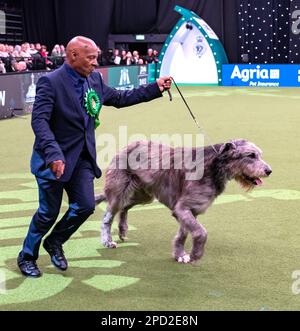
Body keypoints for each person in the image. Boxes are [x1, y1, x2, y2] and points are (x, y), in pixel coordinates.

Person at [17, 36, 171, 277]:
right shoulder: (50, 82)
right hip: (53, 161)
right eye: (91, 58)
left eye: (96, 57)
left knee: (86, 206)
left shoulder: (95, 79)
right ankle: (27, 256)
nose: (95, 62)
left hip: (82, 160)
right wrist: (53, 154)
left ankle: (55, 242)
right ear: (73, 55)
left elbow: (120, 98)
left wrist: (155, 88)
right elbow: (39, 122)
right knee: (48, 213)